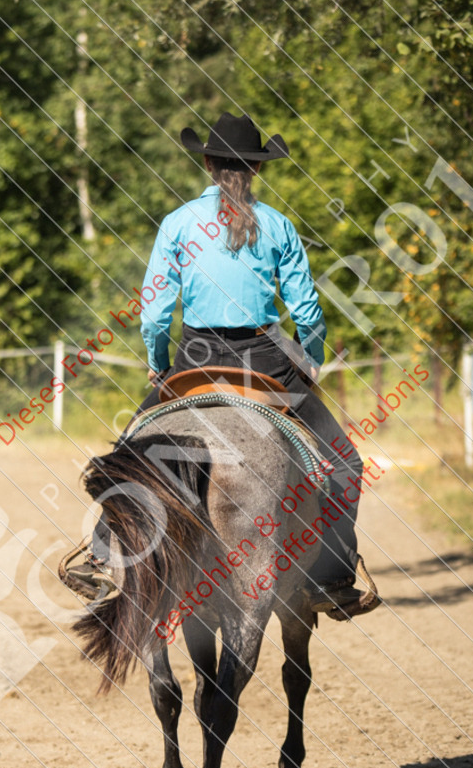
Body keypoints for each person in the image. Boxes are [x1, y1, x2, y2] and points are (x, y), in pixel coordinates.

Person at [64, 112, 380, 620]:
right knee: (344, 463)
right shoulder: (278, 225)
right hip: (267, 361)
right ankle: (334, 576)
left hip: (195, 356)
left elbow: (154, 312)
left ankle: (102, 557)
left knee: (128, 453)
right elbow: (307, 311)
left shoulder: (177, 223)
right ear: (257, 169)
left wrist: (159, 362)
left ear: (207, 163)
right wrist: (311, 359)